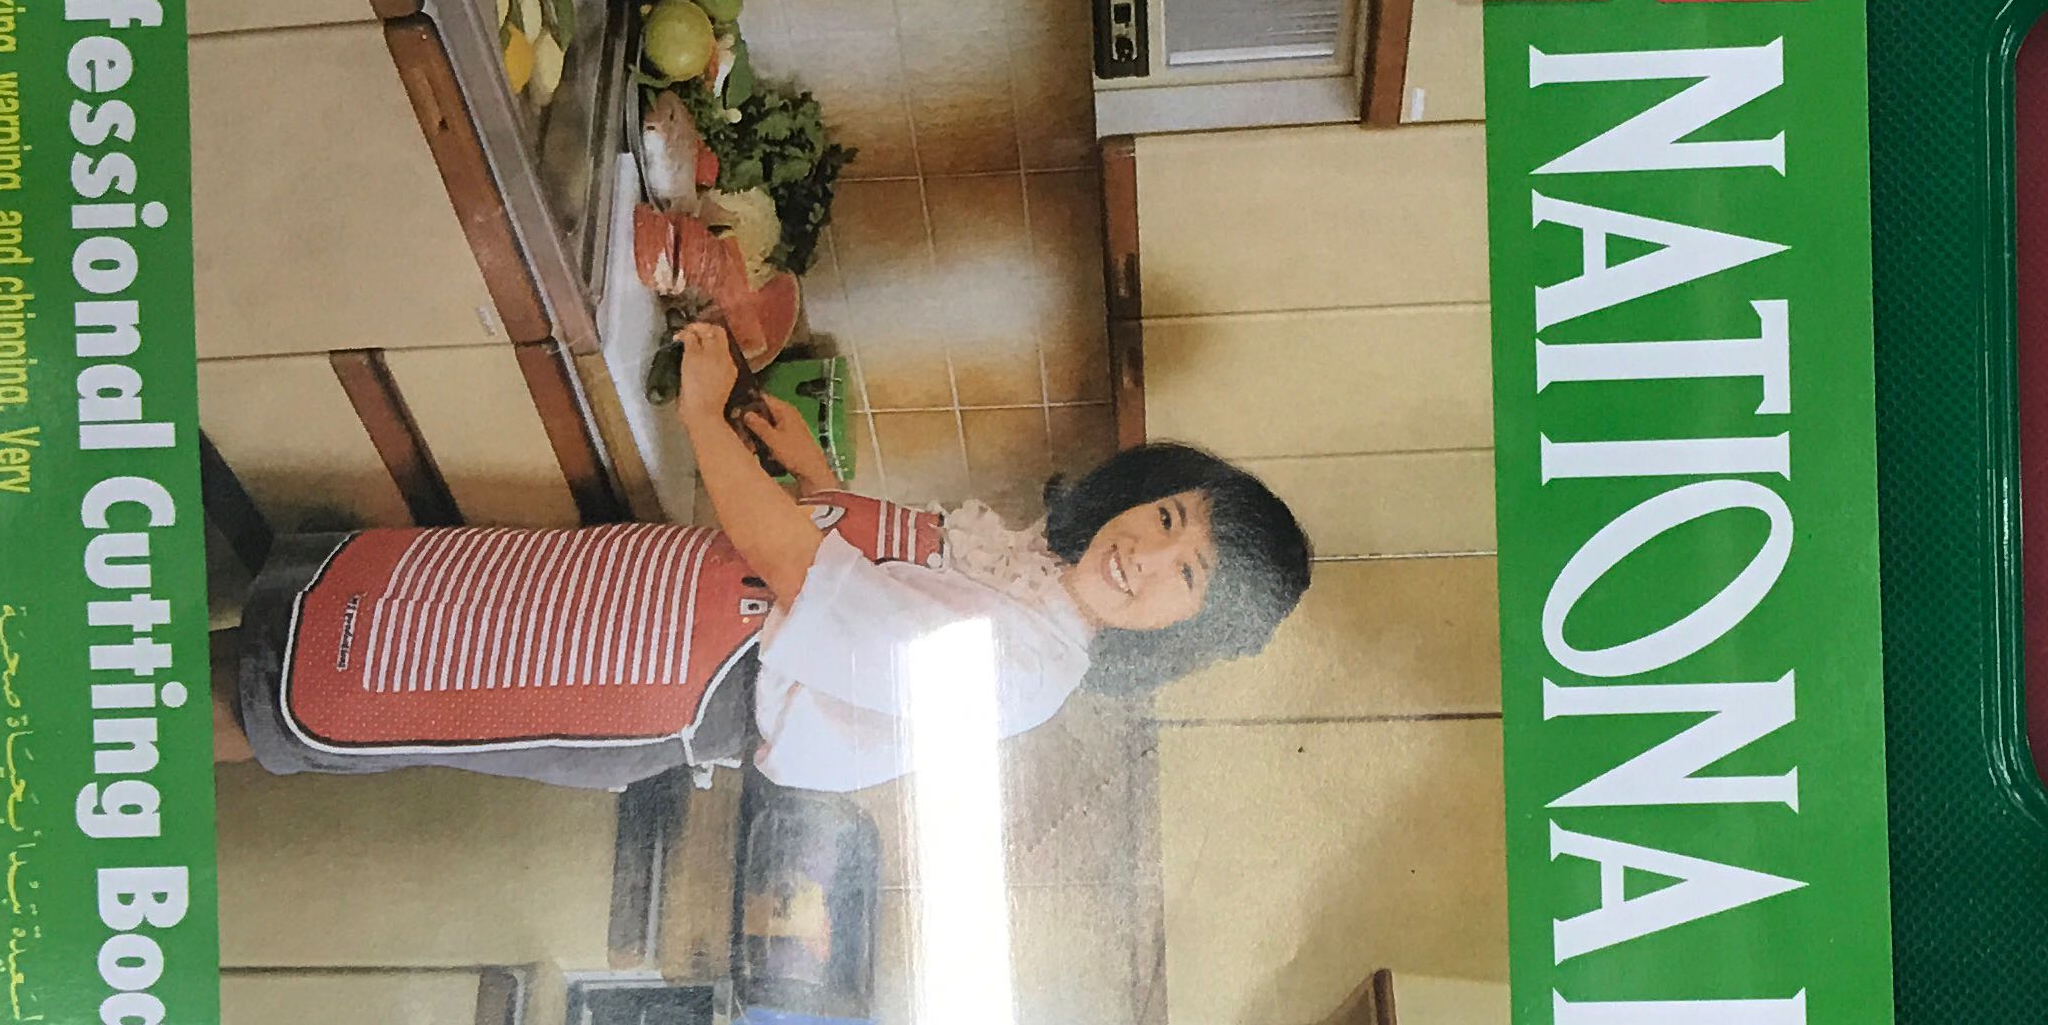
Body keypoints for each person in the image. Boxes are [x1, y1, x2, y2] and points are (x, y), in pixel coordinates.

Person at [223, 321, 1311, 791]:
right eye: (1169, 517)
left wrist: (705, 418)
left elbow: (806, 583)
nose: (1149, 552)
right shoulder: (1031, 572)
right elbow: (882, 580)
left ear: (1186, 630)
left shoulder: (1022, 668)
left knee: (342, 679)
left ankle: (140, 733)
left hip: (649, 678)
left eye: (1189, 573)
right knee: (388, 596)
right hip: (655, 596)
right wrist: (817, 474)